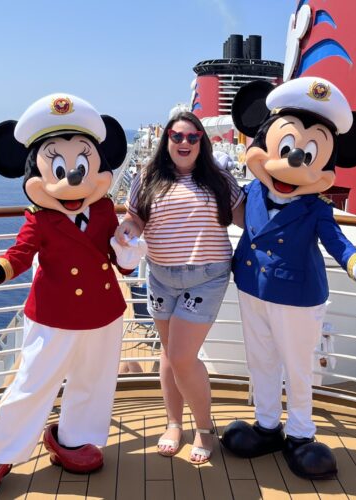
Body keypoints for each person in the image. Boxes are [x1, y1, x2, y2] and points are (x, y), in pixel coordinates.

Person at [0, 93, 141, 499]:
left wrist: (127, 254)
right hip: (54, 315)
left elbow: (114, 255)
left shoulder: (107, 210)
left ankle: (73, 438)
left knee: (94, 381)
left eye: (83, 165)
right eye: (58, 166)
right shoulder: (39, 219)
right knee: (31, 383)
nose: (73, 179)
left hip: (103, 311)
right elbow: (20, 256)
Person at [220, 77, 356, 480]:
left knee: (297, 366)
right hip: (251, 288)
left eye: (309, 152)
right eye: (285, 148)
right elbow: (231, 217)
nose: (295, 162)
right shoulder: (251, 191)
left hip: (298, 297)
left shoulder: (315, 208)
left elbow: (337, 241)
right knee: (261, 361)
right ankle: (267, 425)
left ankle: (300, 434)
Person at [114, 111, 244, 464]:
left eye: (192, 137)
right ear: (166, 140)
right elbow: (136, 216)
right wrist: (128, 231)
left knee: (182, 356)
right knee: (169, 354)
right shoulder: (149, 177)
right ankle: (173, 423)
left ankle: (204, 428)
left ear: (202, 142)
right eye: (177, 136)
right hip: (161, 277)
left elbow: (247, 216)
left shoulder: (219, 179)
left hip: (207, 276)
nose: (184, 143)